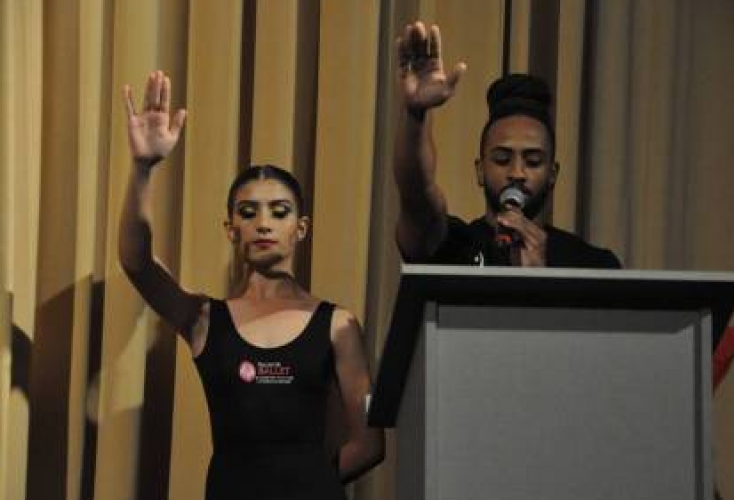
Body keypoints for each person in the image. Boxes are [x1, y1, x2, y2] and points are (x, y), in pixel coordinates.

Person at [119, 70, 384, 500]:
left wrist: (306, 485)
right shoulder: (204, 318)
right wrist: (143, 169)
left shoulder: (337, 324)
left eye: (279, 212)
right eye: (248, 212)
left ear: (300, 229)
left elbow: (370, 443)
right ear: (230, 228)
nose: (263, 223)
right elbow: (136, 263)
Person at [393, 21, 621, 268]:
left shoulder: (591, 264)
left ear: (552, 174)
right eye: (502, 159)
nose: (516, 173)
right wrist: (416, 114)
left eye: (533, 162)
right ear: (480, 170)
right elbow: (418, 193)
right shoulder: (453, 244)